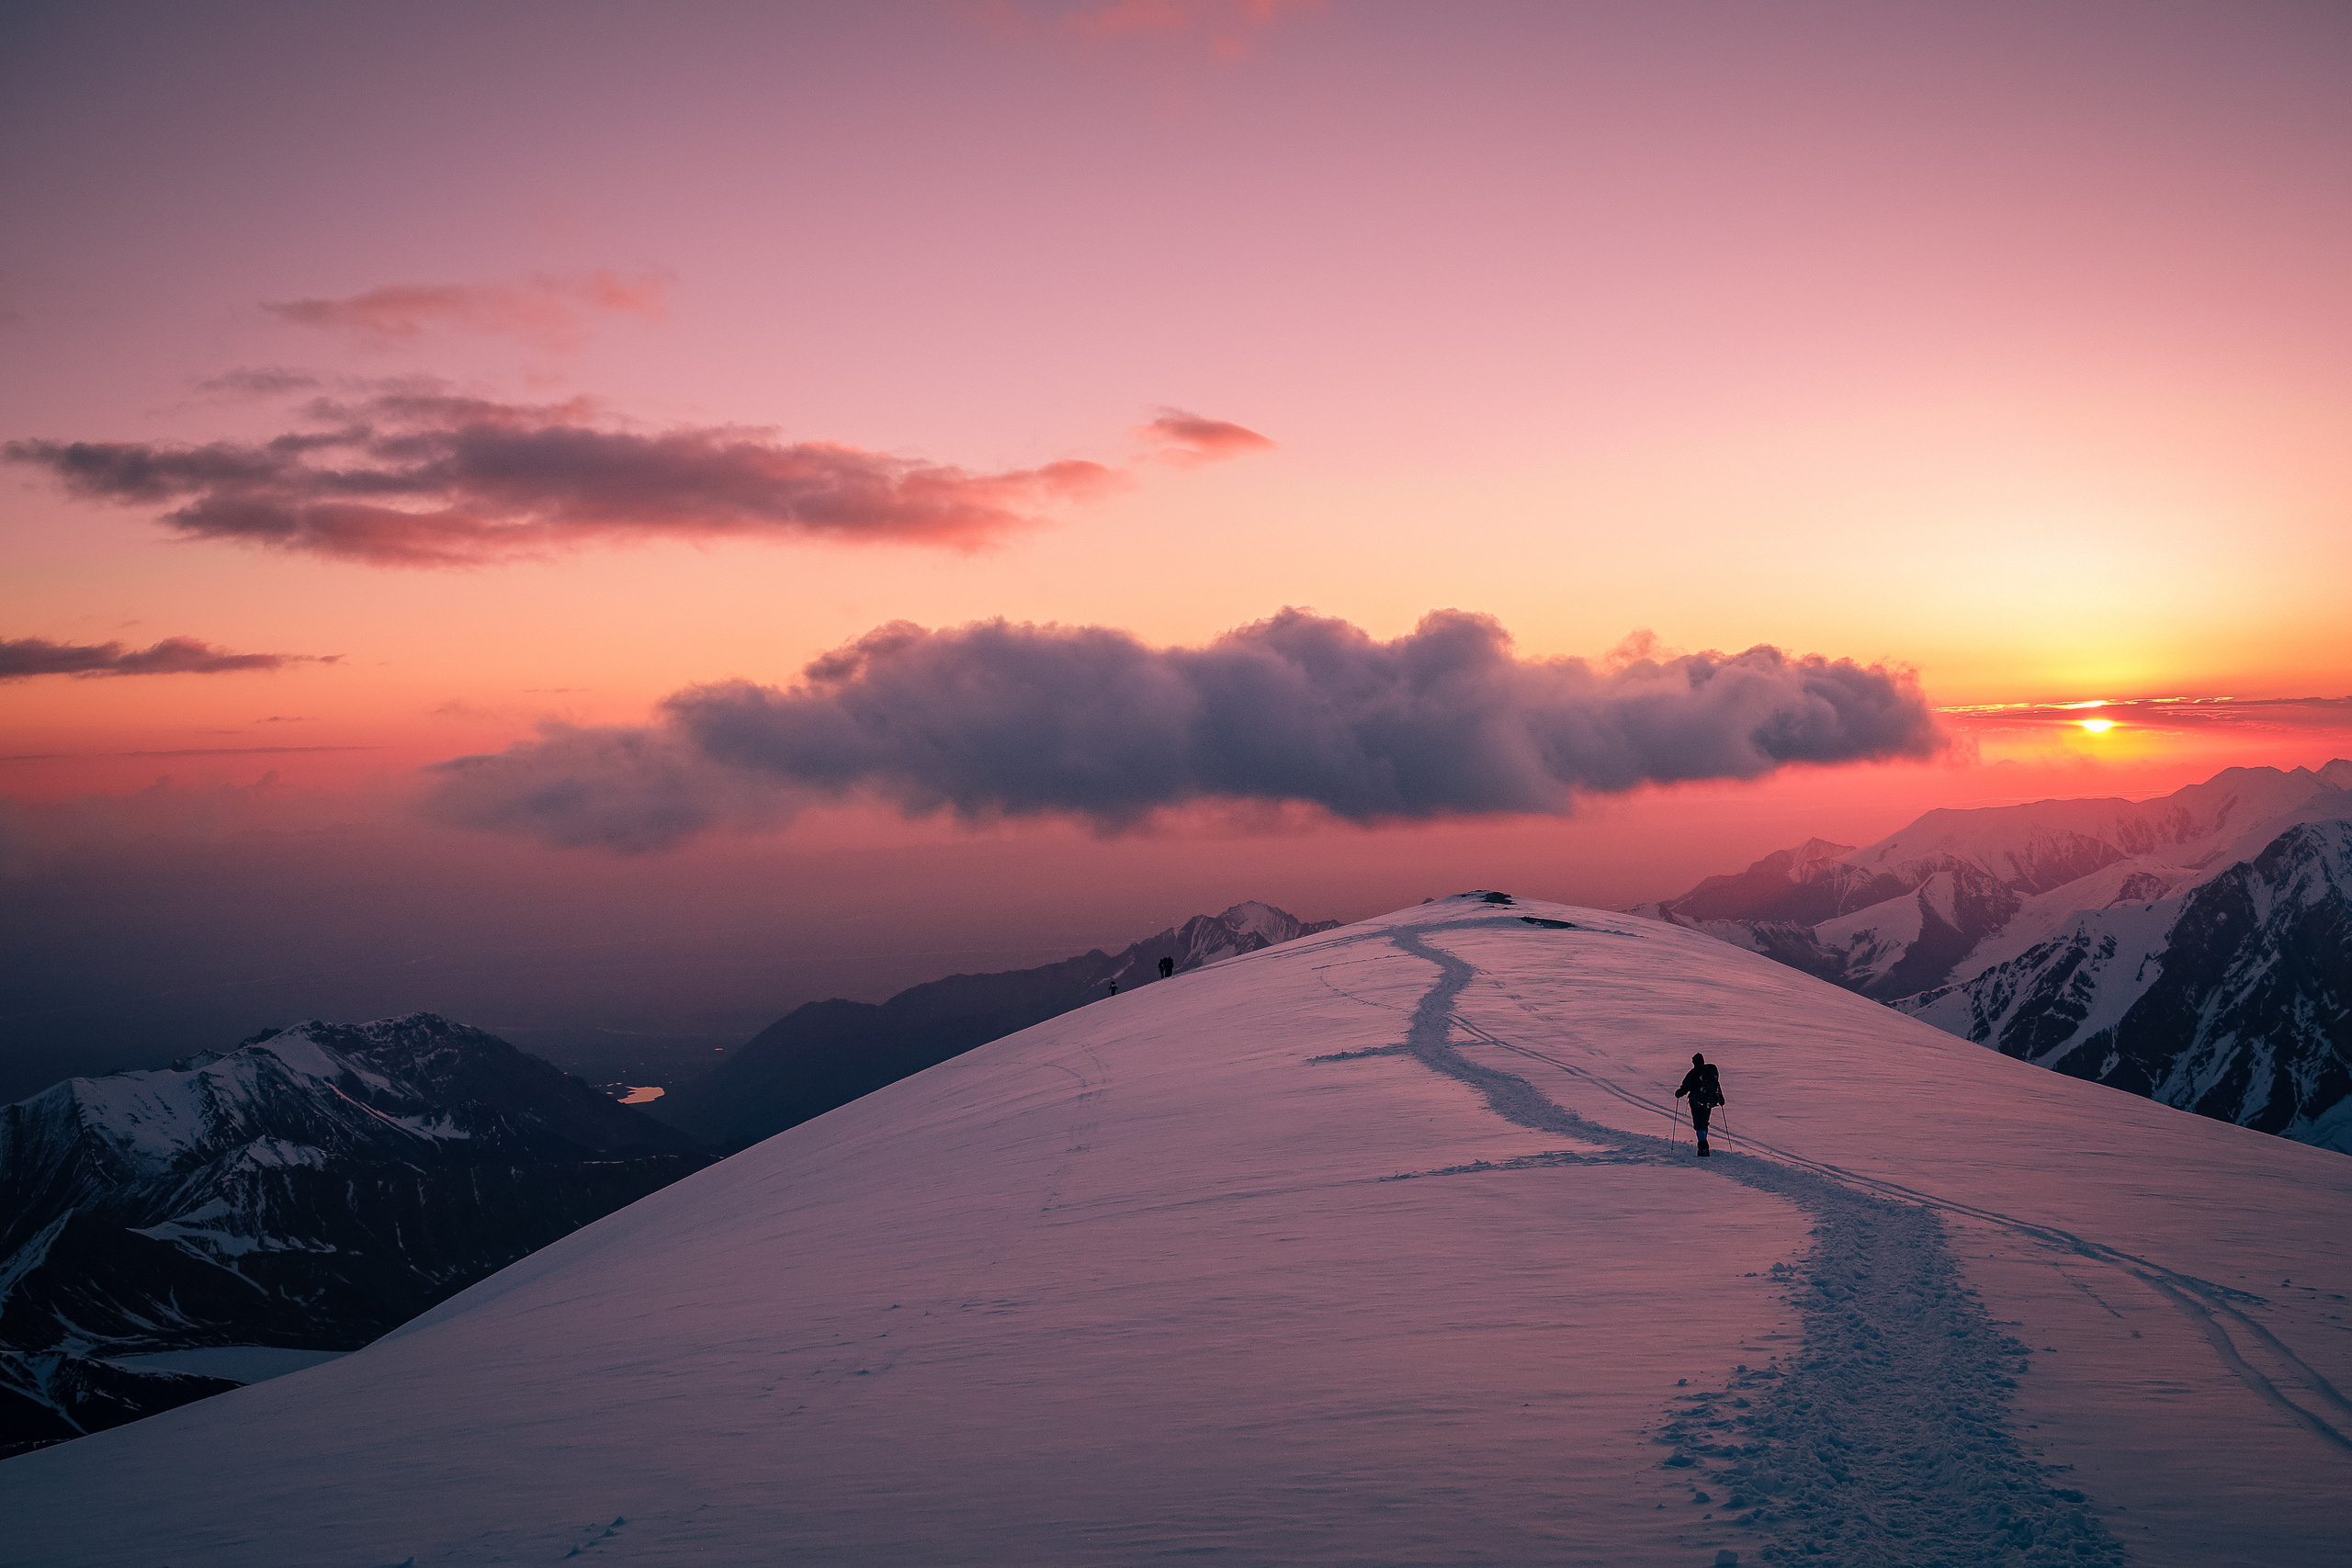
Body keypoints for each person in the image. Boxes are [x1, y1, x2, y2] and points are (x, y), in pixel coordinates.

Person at [1675, 1053, 1724, 1156]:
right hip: (1709, 1102)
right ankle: (1704, 1144)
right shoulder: (1711, 1072)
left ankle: (1703, 1146)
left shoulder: (1693, 1073)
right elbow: (1716, 1085)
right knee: (1704, 1122)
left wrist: (1679, 1093)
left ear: (1694, 1062)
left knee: (1698, 1123)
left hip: (1696, 1102)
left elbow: (1685, 1087)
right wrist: (1720, 1098)